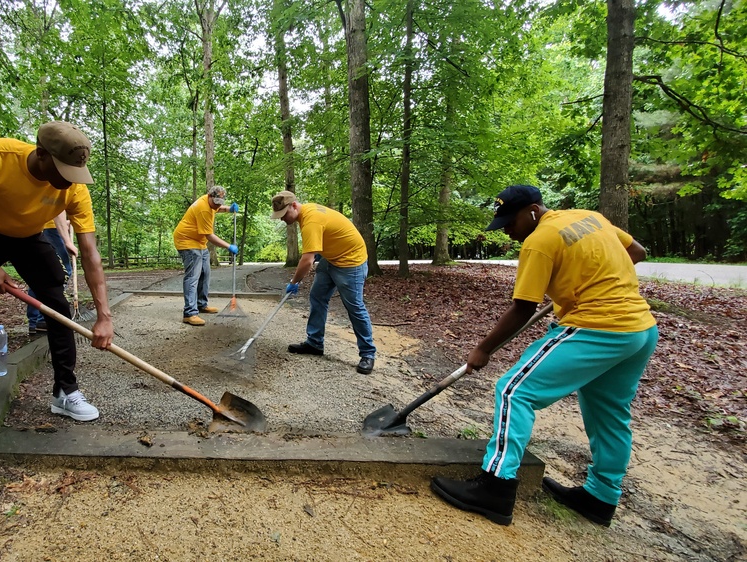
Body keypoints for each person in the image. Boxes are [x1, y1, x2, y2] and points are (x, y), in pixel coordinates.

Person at [430, 184, 658, 527]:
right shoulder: (589, 216)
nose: (508, 230)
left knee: (513, 391)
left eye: (511, 222)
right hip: (639, 330)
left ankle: (496, 486)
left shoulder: (539, 241)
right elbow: (637, 252)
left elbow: (522, 308)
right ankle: (601, 497)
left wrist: (483, 349)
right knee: (609, 414)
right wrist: (583, 281)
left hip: (597, 328)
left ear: (534, 210)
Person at [0, 121, 114, 465]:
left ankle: (65, 392)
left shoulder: (74, 186)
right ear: (40, 154)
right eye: (62, 170)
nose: (68, 180)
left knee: (57, 307)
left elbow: (90, 253)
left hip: (28, 237)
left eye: (75, 172)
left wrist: (104, 315)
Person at [269, 191, 376, 374]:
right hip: (331, 259)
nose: (282, 219)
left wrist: (294, 281)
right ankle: (315, 343)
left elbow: (307, 260)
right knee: (317, 297)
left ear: (294, 206)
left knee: (354, 307)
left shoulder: (311, 220)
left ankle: (368, 354)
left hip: (351, 263)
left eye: (284, 214)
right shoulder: (306, 213)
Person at [172, 185, 239, 326]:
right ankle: (189, 313)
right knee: (193, 276)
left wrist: (228, 209)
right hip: (186, 241)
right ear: (209, 196)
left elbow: (216, 208)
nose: (217, 206)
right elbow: (209, 236)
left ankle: (201, 304)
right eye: (215, 203)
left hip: (198, 242)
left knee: (205, 273)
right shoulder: (203, 209)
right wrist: (228, 246)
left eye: (220, 203)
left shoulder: (211, 204)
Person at [26, 211, 76, 335]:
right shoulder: (64, 192)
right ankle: (43, 319)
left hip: (38, 229)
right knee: (61, 272)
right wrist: (67, 238)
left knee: (39, 276)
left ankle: (35, 322)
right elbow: (58, 209)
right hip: (52, 229)